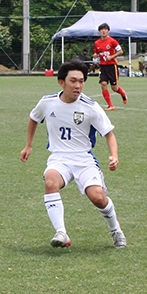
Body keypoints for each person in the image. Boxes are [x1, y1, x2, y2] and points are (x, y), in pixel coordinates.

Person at [20, 61, 126, 249]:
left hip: (84, 159)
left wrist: (114, 156)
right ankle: (61, 232)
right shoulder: (47, 102)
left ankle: (115, 230)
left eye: (82, 81)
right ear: (61, 82)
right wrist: (28, 145)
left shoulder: (90, 107)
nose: (78, 85)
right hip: (59, 157)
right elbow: (34, 118)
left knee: (98, 198)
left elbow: (109, 134)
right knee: (51, 181)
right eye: (73, 81)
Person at [93, 23, 128, 111]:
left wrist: (112, 57)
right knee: (103, 84)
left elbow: (120, 51)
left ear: (108, 31)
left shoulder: (112, 41)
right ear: (99, 31)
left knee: (114, 88)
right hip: (103, 66)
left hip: (112, 66)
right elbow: (96, 53)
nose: (103, 31)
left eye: (105, 29)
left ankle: (123, 93)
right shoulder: (97, 43)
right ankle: (110, 105)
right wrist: (95, 55)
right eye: (101, 29)